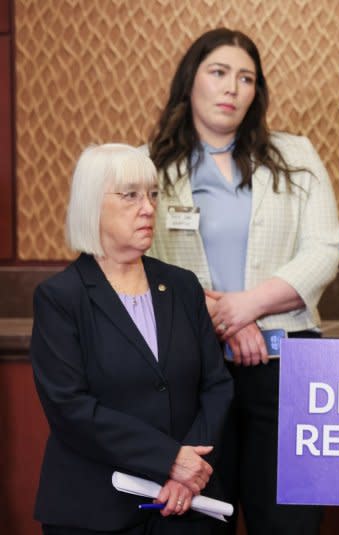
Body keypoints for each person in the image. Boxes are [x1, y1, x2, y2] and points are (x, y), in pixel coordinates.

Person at [147, 28, 339, 535]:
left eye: (246, 77)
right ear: (191, 82)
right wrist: (221, 321)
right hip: (192, 366)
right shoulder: (154, 168)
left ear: (257, 92)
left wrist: (245, 307)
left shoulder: (295, 156)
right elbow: (145, 262)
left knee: (288, 521)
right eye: (218, 73)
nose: (232, 87)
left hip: (287, 365)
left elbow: (323, 251)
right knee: (200, 518)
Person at [30, 144, 234, 535]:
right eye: (130, 195)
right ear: (92, 205)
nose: (148, 207)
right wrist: (168, 459)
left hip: (187, 506)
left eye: (153, 194)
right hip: (95, 512)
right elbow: (70, 408)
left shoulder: (182, 286)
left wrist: (186, 472)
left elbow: (216, 386)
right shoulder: (61, 298)